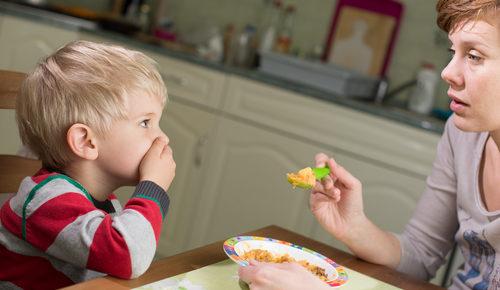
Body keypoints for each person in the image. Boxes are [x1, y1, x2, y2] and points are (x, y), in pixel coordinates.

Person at [239, 0, 500, 289]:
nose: (448, 72)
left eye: (474, 56)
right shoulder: (461, 134)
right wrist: (355, 227)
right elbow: (421, 255)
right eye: (454, 52)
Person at [0, 41, 176, 289]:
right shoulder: (47, 201)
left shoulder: (100, 199)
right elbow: (129, 256)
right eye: (145, 123)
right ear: (86, 141)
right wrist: (153, 187)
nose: (163, 138)